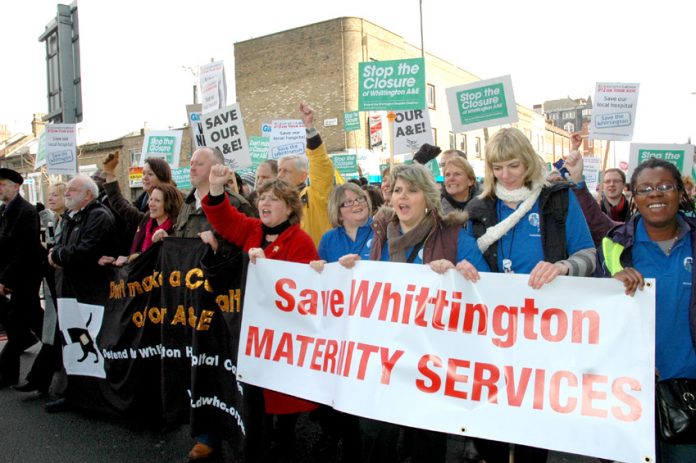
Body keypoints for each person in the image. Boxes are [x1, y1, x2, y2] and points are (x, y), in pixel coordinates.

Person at [333, 163, 489, 463]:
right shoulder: (380, 233)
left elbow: (484, 284)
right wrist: (343, 270)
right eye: (398, 190)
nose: (402, 196)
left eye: (412, 190)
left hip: (430, 361)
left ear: (429, 198)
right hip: (387, 358)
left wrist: (459, 271)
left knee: (425, 444)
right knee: (378, 436)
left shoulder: (453, 235)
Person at [463, 127, 595, 463]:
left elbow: (589, 255)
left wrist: (563, 267)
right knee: (489, 424)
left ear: (528, 164)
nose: (505, 176)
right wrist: (458, 268)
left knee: (534, 427)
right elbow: (464, 265)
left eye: (513, 166)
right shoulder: (478, 208)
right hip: (493, 333)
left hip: (544, 333)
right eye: (497, 168)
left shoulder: (558, 199)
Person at [202, 164, 320, 462]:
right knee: (256, 404)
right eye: (263, 198)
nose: (265, 203)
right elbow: (225, 218)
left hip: (284, 340)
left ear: (290, 208)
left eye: (274, 199)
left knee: (284, 407)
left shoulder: (300, 241)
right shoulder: (253, 230)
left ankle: (285, 443)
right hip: (255, 336)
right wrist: (216, 188)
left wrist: (267, 265)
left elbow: (303, 296)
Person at [587, 158, 696, 463]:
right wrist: (610, 281)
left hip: (688, 392)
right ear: (634, 195)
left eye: (665, 187)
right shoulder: (614, 247)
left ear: (680, 193)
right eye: (645, 188)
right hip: (628, 392)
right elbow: (593, 316)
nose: (656, 194)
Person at [45, 175, 117, 412]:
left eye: (72, 190)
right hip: (70, 292)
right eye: (66, 189)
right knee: (72, 343)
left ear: (88, 194)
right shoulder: (69, 217)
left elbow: (82, 252)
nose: (66, 193)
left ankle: (96, 397)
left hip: (91, 294)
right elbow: (66, 249)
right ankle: (74, 393)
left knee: (91, 342)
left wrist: (58, 256)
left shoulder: (99, 216)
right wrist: (61, 254)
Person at [13, 182, 67, 397]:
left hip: (63, 287)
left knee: (56, 338)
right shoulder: (54, 220)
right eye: (49, 195)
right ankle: (40, 380)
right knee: (53, 337)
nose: (50, 198)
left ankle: (40, 380)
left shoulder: (67, 221)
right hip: (54, 284)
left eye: (56, 195)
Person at [0, 168, 44, 388]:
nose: (0, 188)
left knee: (17, 321)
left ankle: (7, 374)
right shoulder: (4, 211)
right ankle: (55, 350)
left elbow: (23, 250)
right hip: (12, 274)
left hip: (25, 275)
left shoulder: (25, 211)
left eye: (3, 183)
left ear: (16, 186)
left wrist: (5, 279)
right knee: (34, 318)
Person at [277, 103, 336, 247]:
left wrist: (309, 128)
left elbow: (321, 167)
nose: (280, 175)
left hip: (315, 264)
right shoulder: (273, 202)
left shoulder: (314, 196)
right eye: (279, 170)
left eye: (286, 171)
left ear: (303, 176)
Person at [98, 183, 183, 266]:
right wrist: (128, 259)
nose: (151, 204)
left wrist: (167, 240)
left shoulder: (177, 230)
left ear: (169, 204)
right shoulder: (146, 221)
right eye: (151, 199)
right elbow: (122, 208)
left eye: (157, 200)